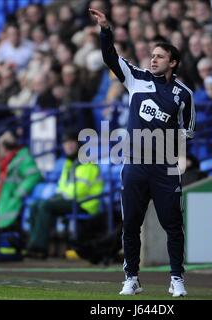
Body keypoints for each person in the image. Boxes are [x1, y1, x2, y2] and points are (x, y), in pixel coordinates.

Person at [89, 8, 195, 297]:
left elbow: (187, 131)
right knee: (131, 224)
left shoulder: (184, 95)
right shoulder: (136, 78)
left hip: (164, 166)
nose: (153, 59)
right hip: (135, 162)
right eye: (153, 55)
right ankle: (131, 278)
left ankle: (176, 278)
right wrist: (106, 29)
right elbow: (110, 57)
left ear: (173, 62)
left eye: (160, 56)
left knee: (173, 225)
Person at [26, 132, 104, 258]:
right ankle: (34, 243)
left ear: (79, 145)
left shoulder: (88, 164)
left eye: (72, 142)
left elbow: (80, 191)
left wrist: (59, 197)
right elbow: (61, 187)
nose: (69, 146)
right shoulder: (68, 164)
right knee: (35, 205)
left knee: (46, 206)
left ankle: (39, 247)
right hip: (71, 200)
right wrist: (57, 196)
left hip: (85, 203)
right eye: (66, 143)